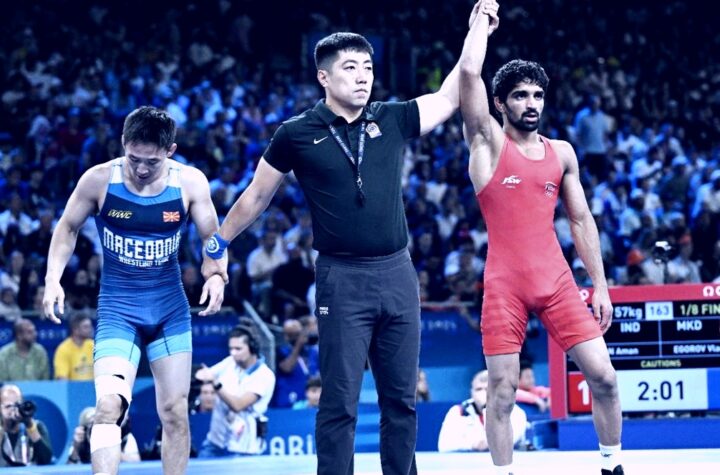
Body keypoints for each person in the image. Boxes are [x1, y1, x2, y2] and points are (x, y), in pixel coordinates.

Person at [201, 2, 499, 472]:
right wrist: (217, 244)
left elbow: (451, 92)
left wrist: (478, 27)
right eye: (350, 68)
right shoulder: (296, 134)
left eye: (368, 68)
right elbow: (256, 197)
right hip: (341, 279)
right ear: (323, 77)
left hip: (398, 274)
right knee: (339, 401)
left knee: (401, 399)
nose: (363, 77)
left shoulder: (392, 118)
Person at [458, 7, 624, 475]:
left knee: (605, 378)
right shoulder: (487, 144)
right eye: (520, 95)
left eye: (537, 95)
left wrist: (601, 286)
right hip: (504, 286)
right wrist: (481, 23)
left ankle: (612, 465)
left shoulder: (562, 153)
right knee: (502, 391)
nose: (531, 103)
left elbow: (581, 219)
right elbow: (469, 73)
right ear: (499, 103)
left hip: (556, 281)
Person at [42, 106, 227, 475]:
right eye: (134, 158)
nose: (141, 169)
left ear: (170, 151)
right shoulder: (98, 180)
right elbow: (67, 228)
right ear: (124, 143)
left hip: (170, 311)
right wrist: (52, 279)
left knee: (174, 412)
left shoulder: (190, 183)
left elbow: (213, 238)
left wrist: (216, 275)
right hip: (118, 310)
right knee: (108, 407)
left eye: (152, 162)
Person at [195, 325, 275, 457]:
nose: (233, 353)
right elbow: (206, 374)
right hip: (215, 442)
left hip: (243, 448)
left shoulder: (265, 375)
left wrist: (215, 383)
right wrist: (200, 374)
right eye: (231, 348)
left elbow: (238, 405)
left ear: (252, 348)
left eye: (238, 349)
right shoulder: (229, 362)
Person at [437, 370, 526, 453]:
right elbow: (444, 446)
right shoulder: (458, 412)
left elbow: (501, 443)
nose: (483, 393)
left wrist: (486, 408)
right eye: (478, 389)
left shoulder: (515, 413)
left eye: (488, 389)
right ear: (472, 392)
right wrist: (472, 445)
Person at [0, 384, 53, 466]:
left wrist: (29, 425)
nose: (13, 409)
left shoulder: (36, 427)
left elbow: (46, 460)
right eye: (8, 406)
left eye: (17, 405)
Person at [272, 318, 320, 408]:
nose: (299, 337)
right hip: (287, 399)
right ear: (286, 336)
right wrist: (299, 345)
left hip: (309, 399)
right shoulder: (281, 351)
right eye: (295, 334)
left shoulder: (312, 351)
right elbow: (287, 368)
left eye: (299, 333)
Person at [67, 407, 141, 465]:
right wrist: (76, 449)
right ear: (84, 429)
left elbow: (136, 464)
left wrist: (113, 452)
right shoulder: (81, 442)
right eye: (90, 425)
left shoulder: (124, 438)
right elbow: (68, 471)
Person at [53, 311, 95, 381]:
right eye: (86, 327)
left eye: (90, 326)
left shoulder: (93, 346)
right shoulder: (63, 349)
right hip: (72, 388)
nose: (90, 330)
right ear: (75, 330)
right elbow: (62, 379)